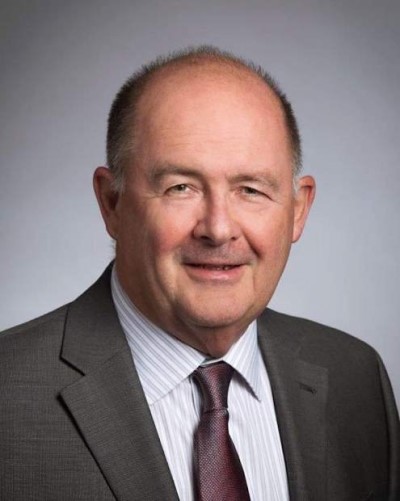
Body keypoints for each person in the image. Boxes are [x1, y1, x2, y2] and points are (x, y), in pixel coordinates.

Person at [0, 46, 398, 501]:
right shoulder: (7, 398)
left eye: (250, 190)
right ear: (112, 202)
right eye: (180, 187)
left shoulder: (355, 377)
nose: (218, 228)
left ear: (298, 211)